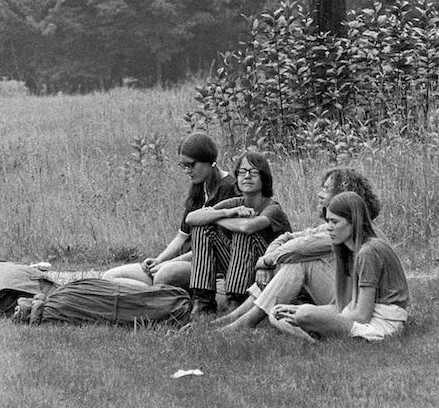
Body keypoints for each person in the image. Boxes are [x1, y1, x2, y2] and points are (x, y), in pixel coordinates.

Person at [214, 167, 381, 333]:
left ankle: (246, 320)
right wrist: (268, 259)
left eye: (326, 189)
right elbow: (287, 237)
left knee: (297, 262)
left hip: (354, 300)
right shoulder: (333, 226)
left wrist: (267, 261)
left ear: (342, 196)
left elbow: (298, 248)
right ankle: (238, 316)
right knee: (289, 258)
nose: (319, 194)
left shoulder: (347, 228)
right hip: (344, 291)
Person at [270, 190, 410, 342]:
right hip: (356, 316)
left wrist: (315, 317)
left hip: (382, 323)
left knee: (305, 315)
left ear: (353, 222)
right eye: (328, 221)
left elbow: (362, 316)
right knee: (275, 314)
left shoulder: (368, 251)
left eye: (335, 222)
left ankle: (317, 336)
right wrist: (296, 310)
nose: (329, 227)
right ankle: (315, 339)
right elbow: (343, 305)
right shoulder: (348, 250)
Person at [102, 132, 237, 289]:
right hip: (179, 261)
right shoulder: (199, 186)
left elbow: (214, 246)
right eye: (183, 166)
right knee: (110, 277)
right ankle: (153, 296)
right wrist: (159, 260)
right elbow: (181, 236)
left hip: (206, 264)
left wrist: (169, 264)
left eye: (191, 165)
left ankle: (154, 296)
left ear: (208, 160)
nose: (187, 171)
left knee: (164, 275)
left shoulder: (228, 189)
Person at [186, 148, 291, 317]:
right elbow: (191, 218)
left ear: (264, 178)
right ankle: (203, 302)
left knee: (243, 232)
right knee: (202, 228)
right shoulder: (235, 203)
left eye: (253, 172)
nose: (247, 176)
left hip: (268, 272)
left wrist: (214, 218)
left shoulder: (273, 208)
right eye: (242, 172)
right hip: (238, 269)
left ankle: (236, 301)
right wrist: (226, 213)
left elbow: (248, 227)